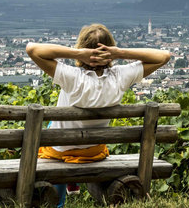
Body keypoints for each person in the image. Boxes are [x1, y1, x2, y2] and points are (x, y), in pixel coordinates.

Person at [26, 23, 170, 207]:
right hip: (93, 151)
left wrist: (78, 53)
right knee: (57, 132)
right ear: (109, 49)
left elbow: (32, 49)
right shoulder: (120, 77)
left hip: (61, 149)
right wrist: (119, 53)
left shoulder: (72, 77)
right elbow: (164, 56)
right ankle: (71, 183)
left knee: (51, 134)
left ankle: (58, 203)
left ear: (83, 48)